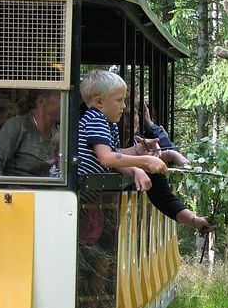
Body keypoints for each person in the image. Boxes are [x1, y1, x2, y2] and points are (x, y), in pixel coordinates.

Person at [119, 99, 213, 234]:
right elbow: (109, 160)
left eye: (136, 113)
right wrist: (136, 169)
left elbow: (164, 197)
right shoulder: (103, 141)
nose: (133, 119)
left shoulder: (140, 143)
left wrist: (194, 220)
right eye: (127, 114)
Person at [78, 70, 166, 190]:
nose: (124, 106)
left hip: (91, 191)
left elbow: (114, 153)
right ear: (99, 101)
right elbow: (107, 158)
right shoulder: (95, 119)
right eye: (119, 100)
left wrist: (140, 149)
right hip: (83, 189)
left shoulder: (108, 123)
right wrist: (145, 161)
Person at [0, 90, 60, 176]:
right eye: (61, 99)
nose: (66, 104)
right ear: (41, 101)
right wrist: (9, 188)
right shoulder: (18, 126)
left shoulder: (61, 134)